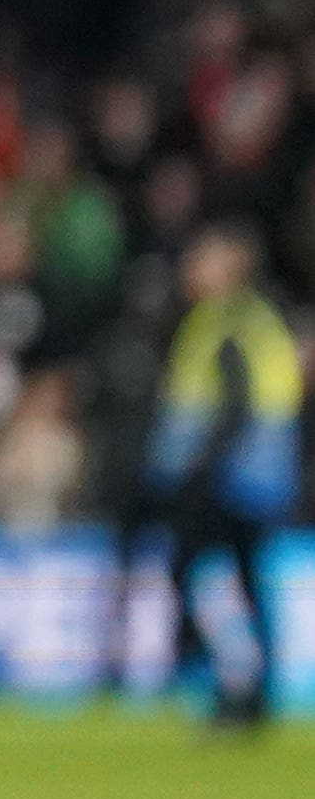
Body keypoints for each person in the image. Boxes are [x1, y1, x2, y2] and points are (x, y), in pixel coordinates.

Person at [139, 218, 291, 728]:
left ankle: (230, 679)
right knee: (245, 581)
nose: (192, 267)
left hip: (228, 480)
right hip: (261, 478)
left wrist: (199, 468)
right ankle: (254, 691)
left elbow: (235, 406)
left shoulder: (227, 323)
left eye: (202, 256)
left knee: (201, 576)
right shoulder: (256, 318)